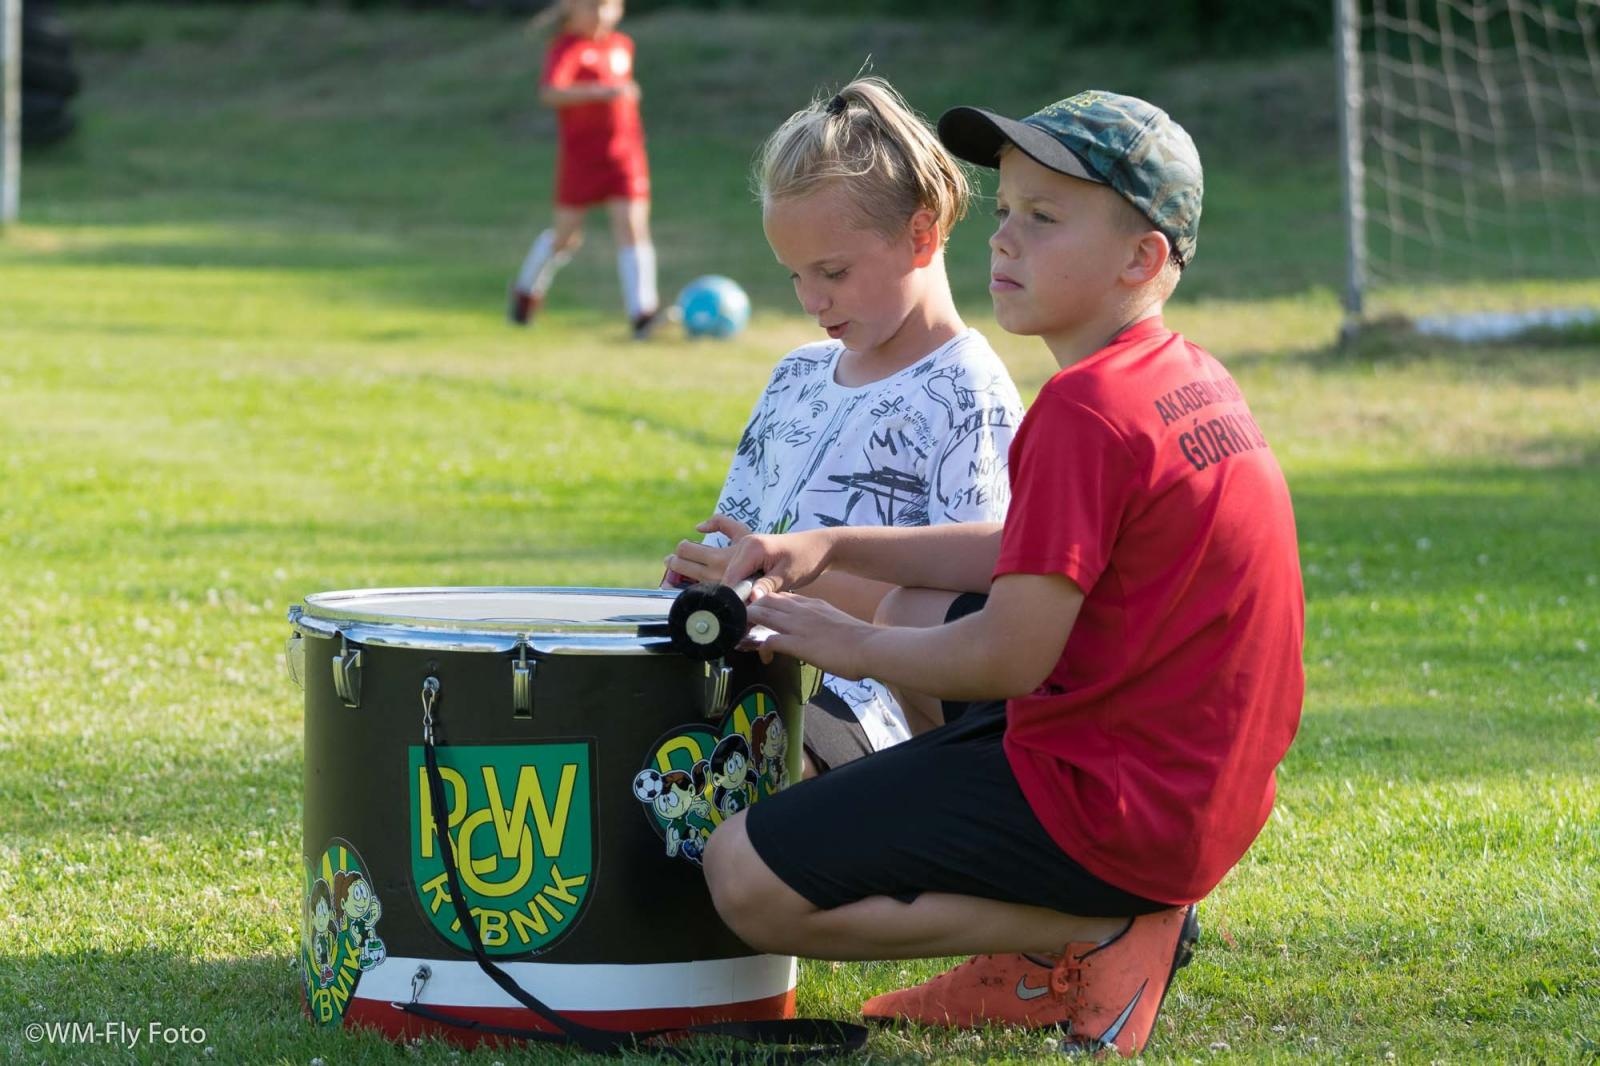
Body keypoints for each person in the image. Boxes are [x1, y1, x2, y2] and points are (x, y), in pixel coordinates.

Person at [698, 90, 1305, 1058]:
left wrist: (837, 636)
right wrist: (829, 548)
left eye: (1045, 219)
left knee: (741, 877)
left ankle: (1089, 927)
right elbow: (1020, 550)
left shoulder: (1084, 413)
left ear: (1141, 260)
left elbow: (1010, 652)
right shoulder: (1175, 374)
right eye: (1010, 209)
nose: (1004, 241)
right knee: (921, 599)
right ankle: (1071, 924)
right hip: (1192, 790)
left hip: (1123, 807)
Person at [662, 77, 1023, 775]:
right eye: (794, 275)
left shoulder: (970, 395)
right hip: (741, 681)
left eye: (831, 271)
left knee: (741, 783)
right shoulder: (797, 374)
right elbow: (736, 538)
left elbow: (975, 627)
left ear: (920, 235)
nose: (810, 300)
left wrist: (784, 589)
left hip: (870, 718)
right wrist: (705, 581)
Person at [508, 0, 659, 338]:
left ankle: (642, 314)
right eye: (592, 7)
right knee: (566, 237)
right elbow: (550, 92)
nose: (600, 15)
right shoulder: (567, 48)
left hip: (624, 155)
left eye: (607, 6)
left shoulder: (621, 45)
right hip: (581, 158)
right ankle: (525, 292)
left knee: (632, 227)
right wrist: (600, 92)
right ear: (571, 8)